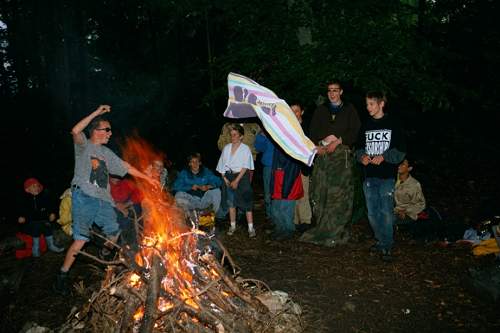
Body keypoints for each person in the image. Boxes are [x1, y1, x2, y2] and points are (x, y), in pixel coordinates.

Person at [54, 104, 158, 295]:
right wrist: (96, 112)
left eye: (111, 130)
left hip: (104, 201)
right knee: (80, 240)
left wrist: (147, 177)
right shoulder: (84, 146)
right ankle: (62, 275)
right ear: (95, 131)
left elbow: (126, 167)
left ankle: (104, 253)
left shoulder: (107, 154)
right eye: (106, 129)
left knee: (115, 232)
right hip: (84, 197)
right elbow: (75, 130)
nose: (110, 133)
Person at [300, 80, 361, 246]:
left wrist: (339, 140)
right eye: (329, 91)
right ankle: (322, 228)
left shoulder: (349, 110)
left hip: (341, 159)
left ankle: (336, 230)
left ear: (341, 92)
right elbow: (312, 132)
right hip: (323, 157)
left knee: (338, 195)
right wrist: (317, 146)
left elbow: (355, 131)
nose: (332, 93)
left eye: (335, 90)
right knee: (320, 192)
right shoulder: (321, 110)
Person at [355, 91, 406, 262]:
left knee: (385, 211)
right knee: (372, 212)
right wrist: (361, 157)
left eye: (371, 104)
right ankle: (381, 240)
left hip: (387, 176)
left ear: (381, 104)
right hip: (369, 176)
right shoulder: (366, 125)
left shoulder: (393, 124)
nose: (368, 107)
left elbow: (400, 151)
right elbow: (358, 148)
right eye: (367, 104)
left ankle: (387, 245)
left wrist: (384, 156)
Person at [216, 124, 256, 238]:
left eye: (235, 135)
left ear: (241, 136)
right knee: (231, 202)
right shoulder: (227, 148)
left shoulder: (245, 149)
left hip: (241, 177)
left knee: (247, 201)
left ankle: (251, 228)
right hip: (229, 176)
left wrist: (237, 180)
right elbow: (222, 165)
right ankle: (232, 226)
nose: (232, 137)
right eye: (231, 135)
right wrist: (225, 178)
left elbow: (245, 166)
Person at [17, 178, 64, 257]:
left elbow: (51, 206)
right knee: (36, 227)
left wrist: (52, 214)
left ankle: (51, 245)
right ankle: (35, 248)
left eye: (37, 186)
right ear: (28, 189)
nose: (36, 188)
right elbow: (21, 211)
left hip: (44, 221)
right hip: (31, 223)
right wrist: (21, 217)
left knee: (47, 225)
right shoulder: (25, 200)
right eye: (33, 186)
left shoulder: (44, 197)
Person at [269, 147, 303, 240]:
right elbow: (274, 166)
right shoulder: (278, 147)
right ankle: (280, 228)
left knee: (285, 209)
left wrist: (286, 190)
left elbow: (292, 170)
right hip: (278, 180)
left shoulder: (292, 148)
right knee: (275, 209)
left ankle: (288, 229)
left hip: (288, 183)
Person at [290, 102, 312, 231]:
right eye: (291, 111)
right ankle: (295, 220)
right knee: (293, 193)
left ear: (301, 112)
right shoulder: (288, 128)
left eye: (296, 111)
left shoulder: (307, 127)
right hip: (291, 166)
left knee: (303, 193)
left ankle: (305, 220)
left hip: (303, 165)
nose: (294, 114)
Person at [109, 175, 143, 250]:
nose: (116, 179)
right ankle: (113, 240)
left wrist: (125, 205)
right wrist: (116, 205)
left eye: (118, 177)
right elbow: (102, 196)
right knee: (119, 218)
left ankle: (127, 243)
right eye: (113, 177)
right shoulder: (104, 182)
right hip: (111, 205)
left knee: (135, 210)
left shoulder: (126, 183)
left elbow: (139, 193)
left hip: (125, 204)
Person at [254, 129, 275, 223]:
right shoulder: (268, 128)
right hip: (268, 166)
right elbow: (259, 148)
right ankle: (270, 216)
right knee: (268, 194)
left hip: (283, 166)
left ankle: (278, 217)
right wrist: (261, 136)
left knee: (279, 193)